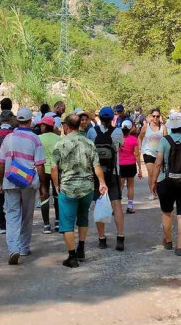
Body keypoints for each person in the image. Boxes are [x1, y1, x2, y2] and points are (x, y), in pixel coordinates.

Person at [51, 114, 108, 268]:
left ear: (67, 126)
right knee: (83, 218)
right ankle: (81, 248)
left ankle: (72, 256)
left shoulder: (60, 144)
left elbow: (54, 168)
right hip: (87, 187)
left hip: (68, 188)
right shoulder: (89, 143)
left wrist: (56, 185)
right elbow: (97, 166)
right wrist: (102, 182)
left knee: (67, 223)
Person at [0, 107, 45, 265]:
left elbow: (1, 163)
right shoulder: (35, 139)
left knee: (12, 215)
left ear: (18, 120)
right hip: (28, 182)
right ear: (30, 121)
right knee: (27, 215)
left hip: (10, 180)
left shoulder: (9, 138)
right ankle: (24, 247)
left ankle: (13, 248)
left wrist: (0, 183)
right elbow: (40, 166)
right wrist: (43, 186)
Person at [151, 113, 181, 256]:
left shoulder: (164, 141)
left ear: (170, 126)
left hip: (166, 181)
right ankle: (180, 248)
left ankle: (169, 241)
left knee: (166, 212)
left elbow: (158, 163)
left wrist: (153, 181)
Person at [87, 106, 126, 251]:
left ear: (100, 118)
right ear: (112, 118)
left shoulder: (92, 132)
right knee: (117, 206)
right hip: (113, 173)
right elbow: (121, 145)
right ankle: (120, 237)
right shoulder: (117, 132)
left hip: (98, 174)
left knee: (99, 204)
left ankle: (102, 238)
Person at [38, 115, 60, 234]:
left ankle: (46, 225)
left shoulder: (38, 138)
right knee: (57, 195)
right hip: (56, 169)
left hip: (43, 170)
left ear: (45, 126)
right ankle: (58, 221)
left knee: (44, 195)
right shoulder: (59, 139)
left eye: (42, 125)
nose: (40, 126)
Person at [139, 107, 166, 200]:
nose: (155, 118)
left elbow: (166, 140)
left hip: (159, 153)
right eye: (153, 116)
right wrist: (140, 147)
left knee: (157, 173)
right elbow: (140, 137)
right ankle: (152, 192)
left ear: (160, 117)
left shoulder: (163, 127)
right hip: (148, 152)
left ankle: (157, 189)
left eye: (157, 116)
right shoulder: (146, 127)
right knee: (151, 173)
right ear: (151, 116)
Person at [118, 120, 142, 213]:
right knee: (130, 186)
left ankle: (117, 206)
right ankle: (130, 206)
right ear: (130, 128)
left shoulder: (119, 139)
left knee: (120, 186)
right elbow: (136, 154)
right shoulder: (134, 139)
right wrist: (140, 168)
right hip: (131, 164)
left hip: (121, 164)